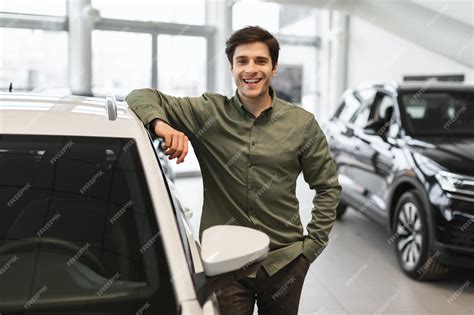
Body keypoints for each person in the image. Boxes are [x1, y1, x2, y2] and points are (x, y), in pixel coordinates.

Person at [126, 25, 341, 315]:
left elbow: (327, 186)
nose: (251, 70)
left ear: (274, 68)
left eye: (260, 61)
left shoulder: (302, 124)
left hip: (284, 262)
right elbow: (139, 96)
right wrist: (162, 126)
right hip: (225, 264)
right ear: (232, 67)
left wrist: (310, 249)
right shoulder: (207, 113)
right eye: (242, 61)